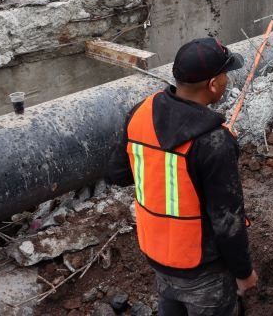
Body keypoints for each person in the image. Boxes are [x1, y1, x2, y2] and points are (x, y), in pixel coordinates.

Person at [108, 37, 258, 316]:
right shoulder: (213, 142)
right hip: (202, 270)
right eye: (225, 74)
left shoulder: (140, 113)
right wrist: (244, 272)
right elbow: (227, 221)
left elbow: (118, 175)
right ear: (213, 84)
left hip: (156, 255)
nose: (226, 80)